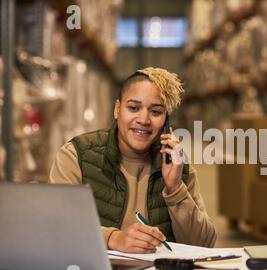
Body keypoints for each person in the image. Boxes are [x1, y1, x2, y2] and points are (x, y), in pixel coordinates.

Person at [49, 67, 217, 253]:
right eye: (134, 108)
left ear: (166, 121)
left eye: (155, 112)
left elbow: (204, 245)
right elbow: (56, 227)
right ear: (117, 109)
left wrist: (175, 189)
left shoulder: (178, 168)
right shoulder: (77, 156)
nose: (144, 119)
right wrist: (112, 238)